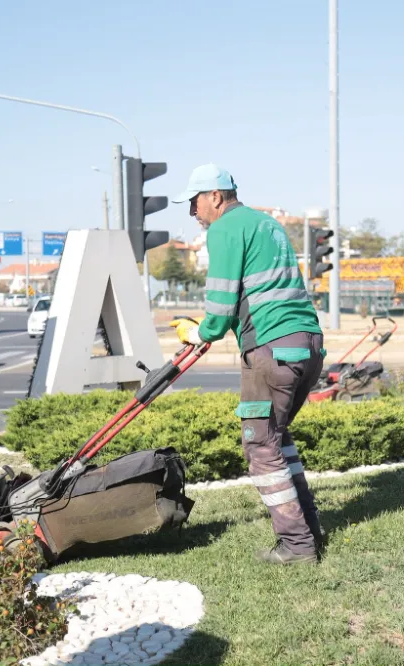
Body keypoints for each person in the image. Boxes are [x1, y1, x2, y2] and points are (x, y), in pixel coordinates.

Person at [168, 164, 326, 565]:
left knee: (260, 445)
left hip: (271, 348)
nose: (193, 212)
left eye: (194, 202)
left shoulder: (224, 228)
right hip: (308, 344)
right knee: (277, 437)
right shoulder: (267, 224)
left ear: (215, 196)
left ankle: (297, 546)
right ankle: (309, 529)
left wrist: (199, 332)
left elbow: (221, 304)